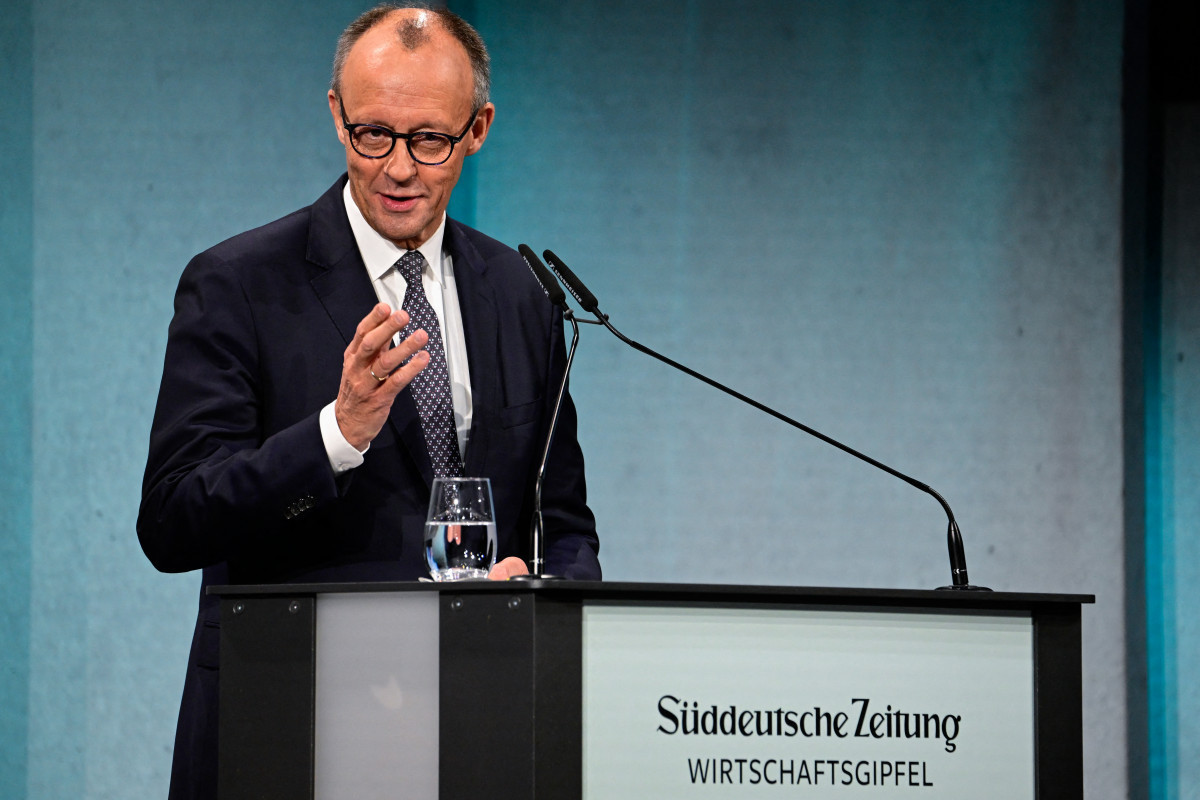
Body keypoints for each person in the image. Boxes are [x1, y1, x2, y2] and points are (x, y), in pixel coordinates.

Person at [137, 5, 601, 797]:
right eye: (372, 134)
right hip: (294, 723)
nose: (397, 168)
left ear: (478, 127)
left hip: (477, 726)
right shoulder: (240, 285)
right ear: (335, 114)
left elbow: (566, 527)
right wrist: (334, 436)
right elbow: (173, 520)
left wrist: (542, 604)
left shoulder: (522, 296)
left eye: (430, 139)